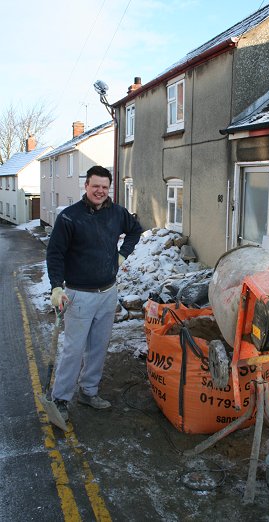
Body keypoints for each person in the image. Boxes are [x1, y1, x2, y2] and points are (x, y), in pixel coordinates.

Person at [46, 165, 142, 422]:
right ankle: (61, 399)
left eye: (104, 186)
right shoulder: (69, 217)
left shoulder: (117, 213)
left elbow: (135, 230)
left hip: (108, 292)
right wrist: (56, 286)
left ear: (108, 188)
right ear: (86, 186)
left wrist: (122, 255)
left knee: (98, 347)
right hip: (78, 294)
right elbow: (54, 253)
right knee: (74, 350)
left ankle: (89, 391)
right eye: (95, 186)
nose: (100, 191)